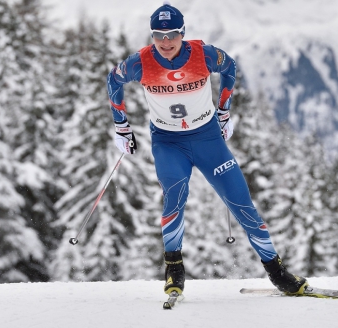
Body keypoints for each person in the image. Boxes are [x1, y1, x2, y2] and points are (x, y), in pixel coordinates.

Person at [106, 2, 307, 296]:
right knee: (174, 197)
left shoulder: (203, 54)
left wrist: (224, 111)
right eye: (158, 35)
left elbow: (230, 67)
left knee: (242, 203)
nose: (165, 41)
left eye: (172, 35)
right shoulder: (141, 62)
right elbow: (114, 79)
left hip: (208, 139)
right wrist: (121, 126)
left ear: (182, 33)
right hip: (168, 142)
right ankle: (174, 271)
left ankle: (277, 273)